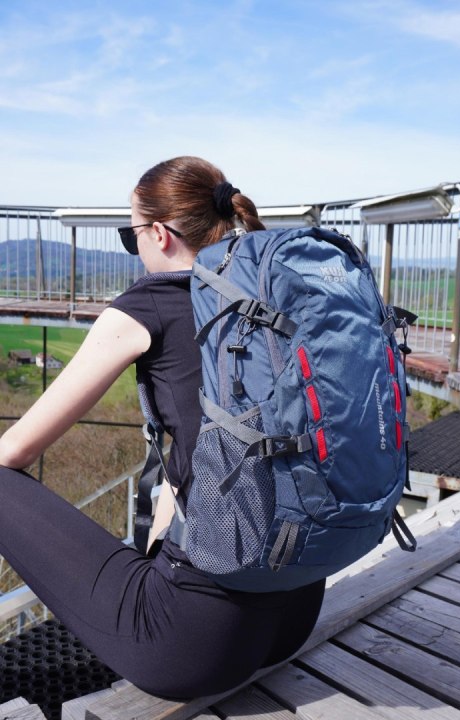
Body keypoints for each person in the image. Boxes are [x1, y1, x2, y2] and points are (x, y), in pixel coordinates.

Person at [0, 156, 325, 699]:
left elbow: (13, 451)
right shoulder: (273, 295)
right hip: (296, 609)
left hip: (194, 646)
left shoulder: (147, 304)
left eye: (131, 238)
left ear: (158, 234)